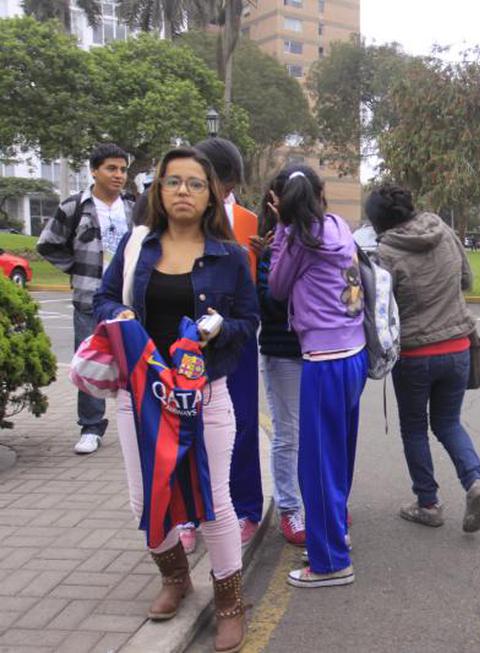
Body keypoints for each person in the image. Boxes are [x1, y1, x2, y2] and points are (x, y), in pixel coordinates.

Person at [92, 147, 258, 652]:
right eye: (173, 182)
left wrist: (217, 327)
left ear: (211, 195)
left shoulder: (229, 257)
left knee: (214, 503)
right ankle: (176, 577)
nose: (183, 191)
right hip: (140, 395)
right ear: (158, 191)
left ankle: (229, 602)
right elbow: (103, 298)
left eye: (194, 184)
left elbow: (249, 323)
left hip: (205, 395)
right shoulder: (136, 245)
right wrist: (119, 319)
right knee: (146, 500)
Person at [365, 184, 480, 532]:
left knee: (415, 428)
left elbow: (381, 313)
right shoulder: (443, 230)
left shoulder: (387, 254)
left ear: (378, 222)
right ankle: (475, 480)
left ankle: (428, 503)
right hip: (458, 347)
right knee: (449, 422)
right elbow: (466, 280)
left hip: (415, 354)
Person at [268, 166, 367, 589]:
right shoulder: (339, 226)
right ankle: (335, 535)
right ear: (321, 194)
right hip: (354, 352)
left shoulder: (295, 239)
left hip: (323, 360)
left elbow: (276, 287)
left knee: (317, 465)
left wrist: (279, 229)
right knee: (338, 457)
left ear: (281, 202)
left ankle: (329, 562)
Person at [37, 142, 135, 455]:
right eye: (111, 168)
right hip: (89, 297)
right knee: (92, 362)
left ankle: (138, 421)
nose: (118, 175)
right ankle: (91, 427)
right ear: (94, 171)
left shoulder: (134, 207)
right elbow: (48, 244)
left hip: (129, 299)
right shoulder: (74, 206)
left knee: (135, 360)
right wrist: (76, 268)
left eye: (122, 169)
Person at [194, 137, 263, 548]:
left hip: (237, 336)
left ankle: (246, 507)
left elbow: (256, 284)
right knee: (187, 425)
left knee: (242, 421)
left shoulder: (250, 221)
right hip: (188, 340)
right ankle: (190, 514)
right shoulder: (176, 218)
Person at [252, 182, 306, 547]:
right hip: (283, 350)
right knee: (289, 433)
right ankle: (290, 507)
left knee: (315, 432)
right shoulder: (265, 245)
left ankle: (315, 501)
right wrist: (275, 256)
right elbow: (268, 301)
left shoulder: (317, 240)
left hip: (320, 352)